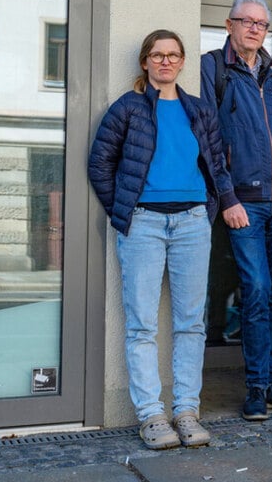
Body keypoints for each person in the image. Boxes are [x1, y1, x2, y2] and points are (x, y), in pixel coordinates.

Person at [89, 29, 238, 449]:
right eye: (158, 55)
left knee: (191, 323)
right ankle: (152, 416)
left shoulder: (199, 111)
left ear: (182, 62)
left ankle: (187, 411)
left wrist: (214, 205)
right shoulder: (128, 109)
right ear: (145, 62)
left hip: (192, 222)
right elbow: (99, 162)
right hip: (144, 224)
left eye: (173, 55)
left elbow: (217, 166)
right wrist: (124, 210)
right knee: (141, 325)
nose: (166, 62)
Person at [200, 0, 272, 420]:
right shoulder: (214, 68)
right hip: (244, 202)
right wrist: (226, 197)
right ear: (229, 25)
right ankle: (256, 388)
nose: (253, 28)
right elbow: (207, 139)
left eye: (261, 23)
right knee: (258, 290)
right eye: (245, 21)